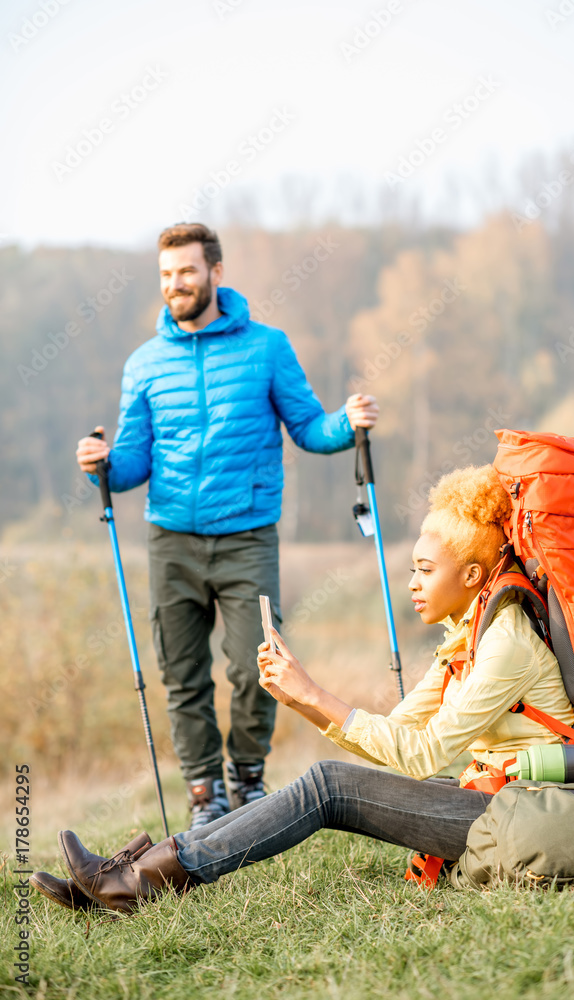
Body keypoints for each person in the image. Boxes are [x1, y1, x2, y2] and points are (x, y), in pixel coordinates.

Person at [32, 464, 574, 912]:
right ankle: (124, 881)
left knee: (327, 786)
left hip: (532, 816)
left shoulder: (505, 641)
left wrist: (316, 694)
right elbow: (398, 733)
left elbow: (424, 754)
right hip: (497, 800)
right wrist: (302, 701)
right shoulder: (470, 632)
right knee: (327, 783)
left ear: (474, 576)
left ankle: (137, 883)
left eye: (425, 569)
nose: (411, 582)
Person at [75, 222, 378, 830]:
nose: (175, 284)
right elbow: (133, 462)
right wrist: (99, 465)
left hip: (247, 537)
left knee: (254, 666)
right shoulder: (145, 364)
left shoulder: (267, 348)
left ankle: (246, 778)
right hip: (172, 542)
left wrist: (348, 423)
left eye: (186, 271)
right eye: (165, 274)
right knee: (182, 674)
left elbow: (310, 429)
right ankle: (204, 794)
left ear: (215, 273)